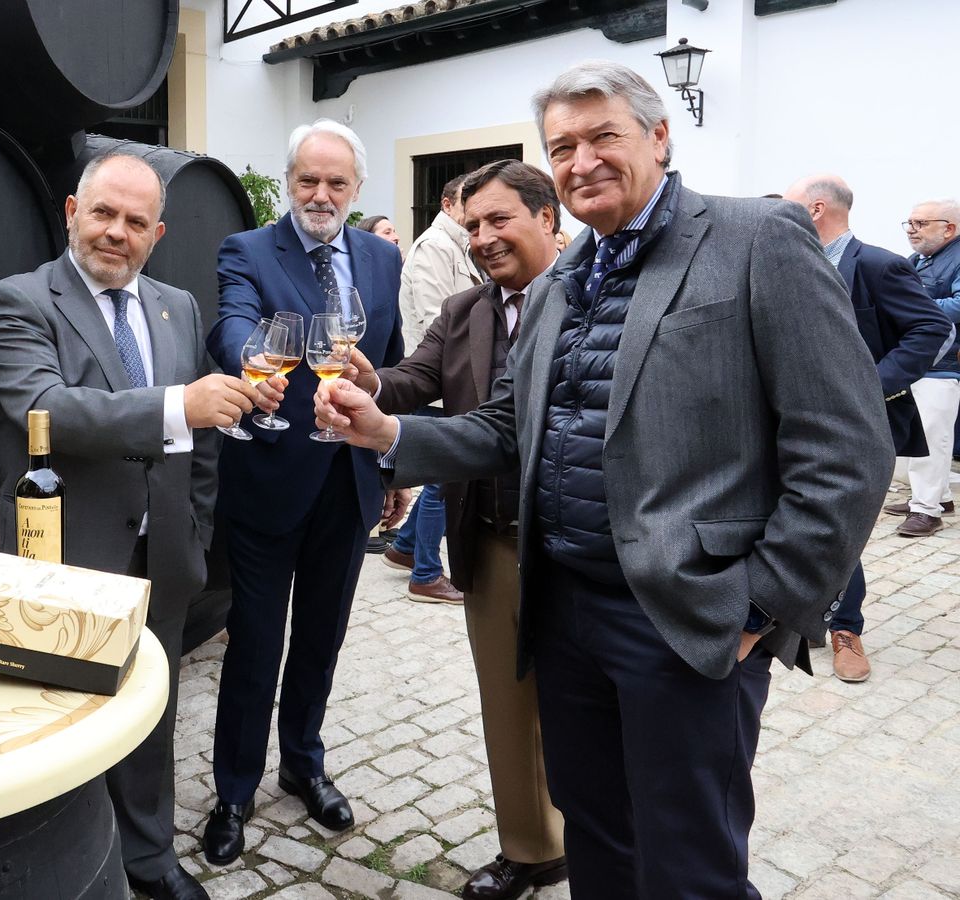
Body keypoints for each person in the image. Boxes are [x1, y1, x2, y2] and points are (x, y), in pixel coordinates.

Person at [314, 61, 891, 898]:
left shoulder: (756, 239)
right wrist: (386, 431)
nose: (581, 161)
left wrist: (761, 606)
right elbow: (507, 428)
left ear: (658, 136)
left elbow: (847, 446)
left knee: (688, 866)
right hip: (563, 615)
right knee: (596, 839)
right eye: (562, 147)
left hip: (683, 621)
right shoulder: (562, 277)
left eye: (602, 136)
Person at [0, 151, 257, 900]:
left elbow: (202, 442)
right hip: (65, 558)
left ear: (156, 234)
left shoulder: (177, 305)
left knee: (151, 717)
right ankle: (72, 866)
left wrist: (194, 533)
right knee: (62, 724)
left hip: (161, 553)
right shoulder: (20, 299)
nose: (116, 232)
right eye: (103, 213)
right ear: (73, 212)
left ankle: (150, 856)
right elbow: (43, 407)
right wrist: (176, 406)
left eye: (136, 222)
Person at [346, 158, 568, 900]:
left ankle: (601, 835)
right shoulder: (465, 308)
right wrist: (370, 382)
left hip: (577, 544)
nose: (483, 237)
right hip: (493, 537)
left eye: (499, 219)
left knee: (587, 702)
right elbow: (415, 380)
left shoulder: (589, 298)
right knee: (508, 703)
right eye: (472, 225)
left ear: (547, 217)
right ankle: (532, 849)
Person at [202, 119, 407, 866]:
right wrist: (251, 358)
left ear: (357, 188)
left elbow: (392, 364)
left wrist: (393, 466)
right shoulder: (249, 249)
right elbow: (230, 323)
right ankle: (233, 790)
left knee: (322, 637)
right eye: (307, 180)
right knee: (256, 643)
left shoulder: (383, 257)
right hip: (268, 477)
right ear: (290, 181)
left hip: (348, 479)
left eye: (336, 182)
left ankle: (303, 763)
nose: (321, 194)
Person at [783, 175, 951, 682]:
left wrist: (869, 387)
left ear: (816, 209)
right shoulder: (786, 262)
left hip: (856, 424)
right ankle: (796, 615)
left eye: (788, 206)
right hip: (788, 418)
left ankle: (845, 628)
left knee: (841, 524)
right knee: (791, 519)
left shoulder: (878, 264)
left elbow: (931, 328)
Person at [386, 177, 480, 602]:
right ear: (446, 204)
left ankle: (405, 548)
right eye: (467, 202)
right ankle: (425, 575)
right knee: (443, 482)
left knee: (443, 476)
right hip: (440, 383)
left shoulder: (460, 244)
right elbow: (434, 322)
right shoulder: (434, 247)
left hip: (452, 381)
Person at [896, 199, 960, 537]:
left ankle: (926, 511)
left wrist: (910, 306)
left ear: (949, 228)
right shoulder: (917, 260)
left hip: (942, 364)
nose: (911, 230)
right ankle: (940, 498)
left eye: (921, 223)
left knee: (933, 437)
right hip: (919, 362)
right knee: (923, 434)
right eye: (909, 223)